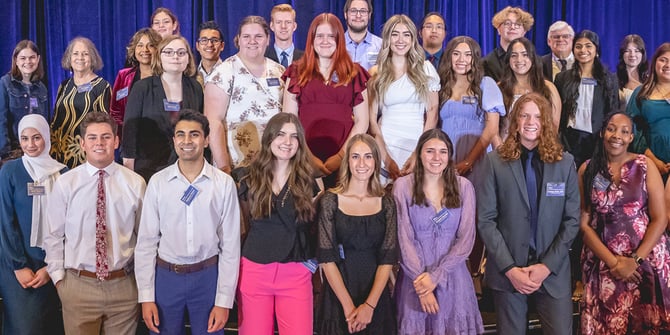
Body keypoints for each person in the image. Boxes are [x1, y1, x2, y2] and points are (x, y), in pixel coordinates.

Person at [477, 92, 580, 335]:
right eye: (524, 115)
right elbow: (486, 221)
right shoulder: (495, 162)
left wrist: (546, 266)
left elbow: (573, 220)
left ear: (546, 122)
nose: (530, 122)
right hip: (509, 272)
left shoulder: (565, 163)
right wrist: (510, 269)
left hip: (552, 271)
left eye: (537, 116)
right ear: (515, 121)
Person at [135, 110, 240, 335]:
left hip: (207, 277)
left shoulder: (223, 184)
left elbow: (230, 246)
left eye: (194, 134)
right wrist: (146, 297)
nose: (187, 141)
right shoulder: (158, 183)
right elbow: (146, 243)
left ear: (206, 139)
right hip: (166, 278)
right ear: (174, 141)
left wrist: (223, 301)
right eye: (180, 135)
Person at [44, 111, 146, 335]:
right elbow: (53, 235)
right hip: (79, 285)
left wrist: (140, 283)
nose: (99, 143)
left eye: (106, 137)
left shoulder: (135, 183)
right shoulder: (66, 183)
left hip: (123, 285)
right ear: (82, 143)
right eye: (92, 137)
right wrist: (59, 280)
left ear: (116, 141)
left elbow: (145, 239)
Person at [578, 112, 670, 334]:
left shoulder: (645, 165)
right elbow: (583, 224)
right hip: (605, 263)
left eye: (624, 131)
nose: (616, 135)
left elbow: (660, 219)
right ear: (602, 133)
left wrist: (634, 261)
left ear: (631, 138)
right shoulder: (587, 169)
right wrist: (615, 263)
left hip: (645, 261)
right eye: (611, 129)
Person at [394, 128, 484, 335]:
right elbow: (403, 238)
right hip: (414, 284)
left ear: (449, 155)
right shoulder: (403, 187)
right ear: (419, 154)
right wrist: (422, 285)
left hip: (454, 281)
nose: (437, 157)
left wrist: (436, 276)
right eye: (430, 151)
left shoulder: (464, 187)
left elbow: (466, 240)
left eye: (443, 152)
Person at [236, 113, 319, 335]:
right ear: (269, 138)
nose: (287, 142)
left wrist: (310, 264)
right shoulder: (247, 177)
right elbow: (243, 225)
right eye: (281, 134)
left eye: (294, 136)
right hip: (254, 269)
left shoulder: (310, 179)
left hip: (295, 270)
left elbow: (316, 228)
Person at [316, 133, 397, 335]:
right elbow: (327, 259)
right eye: (355, 156)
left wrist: (369, 306)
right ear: (347, 161)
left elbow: (387, 258)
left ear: (376, 161)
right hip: (339, 294)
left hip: (375, 294)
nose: (362, 163)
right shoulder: (330, 201)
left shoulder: (387, 202)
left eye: (368, 156)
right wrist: (349, 308)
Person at [283, 13, 370, 187]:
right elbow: (289, 120)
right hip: (304, 157)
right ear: (311, 39)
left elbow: (362, 121)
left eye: (331, 36)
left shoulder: (354, 73)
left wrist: (340, 157)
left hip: (345, 158)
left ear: (339, 40)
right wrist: (308, 157)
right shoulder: (295, 72)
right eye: (320, 36)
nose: (325, 41)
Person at [0, 114, 65, 335]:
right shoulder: (10, 171)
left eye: (36, 137)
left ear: (46, 137)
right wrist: (19, 266)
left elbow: (69, 224)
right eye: (25, 138)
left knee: (53, 326)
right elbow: (5, 223)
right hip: (17, 267)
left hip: (54, 266)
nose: (30, 144)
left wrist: (51, 267)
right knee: (25, 328)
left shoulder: (62, 173)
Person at [204, 16, 284, 172]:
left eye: (259, 36)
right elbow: (214, 122)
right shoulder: (223, 73)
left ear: (268, 40)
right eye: (246, 36)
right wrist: (224, 168)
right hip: (235, 165)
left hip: (274, 163)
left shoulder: (280, 72)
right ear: (238, 40)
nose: (252, 41)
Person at [367, 14, 439, 181]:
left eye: (406, 34)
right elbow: (371, 121)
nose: (401, 40)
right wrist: (386, 158)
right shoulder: (376, 73)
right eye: (395, 34)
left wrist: (419, 152)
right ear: (387, 38)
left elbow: (432, 114)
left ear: (413, 39)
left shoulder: (426, 69)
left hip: (417, 143)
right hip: (386, 145)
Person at [122, 35, 203, 182]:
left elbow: (201, 127)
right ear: (159, 56)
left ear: (188, 58)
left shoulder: (195, 87)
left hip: (187, 168)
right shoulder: (142, 87)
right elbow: (129, 130)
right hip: (148, 168)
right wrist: (129, 172)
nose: (175, 57)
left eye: (181, 52)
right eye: (169, 52)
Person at [437, 36, 505, 179]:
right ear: (449, 57)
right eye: (456, 54)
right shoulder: (441, 86)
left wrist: (469, 161)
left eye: (468, 55)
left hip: (478, 158)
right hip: (447, 159)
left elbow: (492, 128)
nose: (462, 59)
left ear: (475, 59)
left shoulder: (486, 84)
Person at [555, 30, 619, 168]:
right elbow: (557, 113)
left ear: (596, 50)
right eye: (578, 46)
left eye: (588, 46)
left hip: (596, 141)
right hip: (569, 140)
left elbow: (613, 112)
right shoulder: (562, 78)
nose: (583, 50)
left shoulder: (609, 79)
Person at [50, 37, 110, 168]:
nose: (80, 57)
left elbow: (104, 124)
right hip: (59, 154)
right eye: (75, 53)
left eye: (85, 53)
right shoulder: (64, 85)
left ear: (92, 58)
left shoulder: (101, 86)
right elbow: (55, 119)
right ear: (69, 58)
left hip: (85, 154)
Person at [496, 37, 562, 146]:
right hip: (505, 150)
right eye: (514, 55)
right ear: (508, 59)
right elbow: (493, 128)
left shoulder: (549, 88)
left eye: (525, 54)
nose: (519, 60)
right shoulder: (499, 88)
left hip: (539, 152)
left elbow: (553, 128)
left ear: (532, 58)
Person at [0, 40, 49, 165]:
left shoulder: (42, 88)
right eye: (23, 58)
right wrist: (5, 153)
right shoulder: (5, 83)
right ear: (16, 60)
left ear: (38, 59)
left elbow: (45, 123)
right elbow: (1, 120)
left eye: (32, 57)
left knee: (37, 185)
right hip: (13, 152)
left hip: (37, 152)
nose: (28, 62)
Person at [627, 42, 670, 179]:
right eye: (663, 60)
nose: (667, 65)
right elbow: (631, 128)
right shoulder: (640, 93)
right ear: (654, 62)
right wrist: (653, 160)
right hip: (648, 162)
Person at [110, 28, 161, 141]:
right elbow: (115, 111)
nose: (145, 50)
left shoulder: (165, 77)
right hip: (129, 139)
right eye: (140, 45)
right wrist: (124, 133)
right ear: (134, 49)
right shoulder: (123, 76)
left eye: (150, 45)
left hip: (160, 140)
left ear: (158, 49)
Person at [482, 6, 534, 81]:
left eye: (518, 24)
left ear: (524, 31)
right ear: (498, 29)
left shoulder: (534, 60)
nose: (512, 27)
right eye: (507, 23)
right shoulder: (486, 63)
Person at [343, 0, 382, 71]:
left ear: (369, 15)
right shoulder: (335, 44)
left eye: (363, 11)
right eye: (353, 11)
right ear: (345, 14)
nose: (358, 15)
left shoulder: (381, 46)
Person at [617, 34, 648, 105]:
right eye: (628, 51)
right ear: (622, 54)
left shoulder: (650, 80)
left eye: (636, 51)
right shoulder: (614, 80)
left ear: (642, 54)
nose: (632, 55)